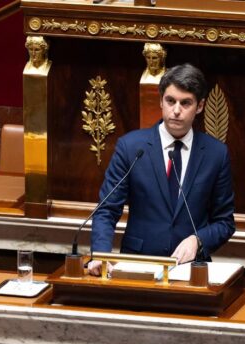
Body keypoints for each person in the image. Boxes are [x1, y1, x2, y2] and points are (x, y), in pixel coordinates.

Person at [88, 63, 235, 275]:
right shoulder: (131, 148)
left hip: (190, 269)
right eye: (170, 101)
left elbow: (224, 222)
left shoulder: (215, 154)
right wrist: (101, 255)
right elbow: (107, 209)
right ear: (161, 101)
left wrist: (198, 240)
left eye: (185, 103)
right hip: (137, 266)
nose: (176, 110)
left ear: (200, 106)